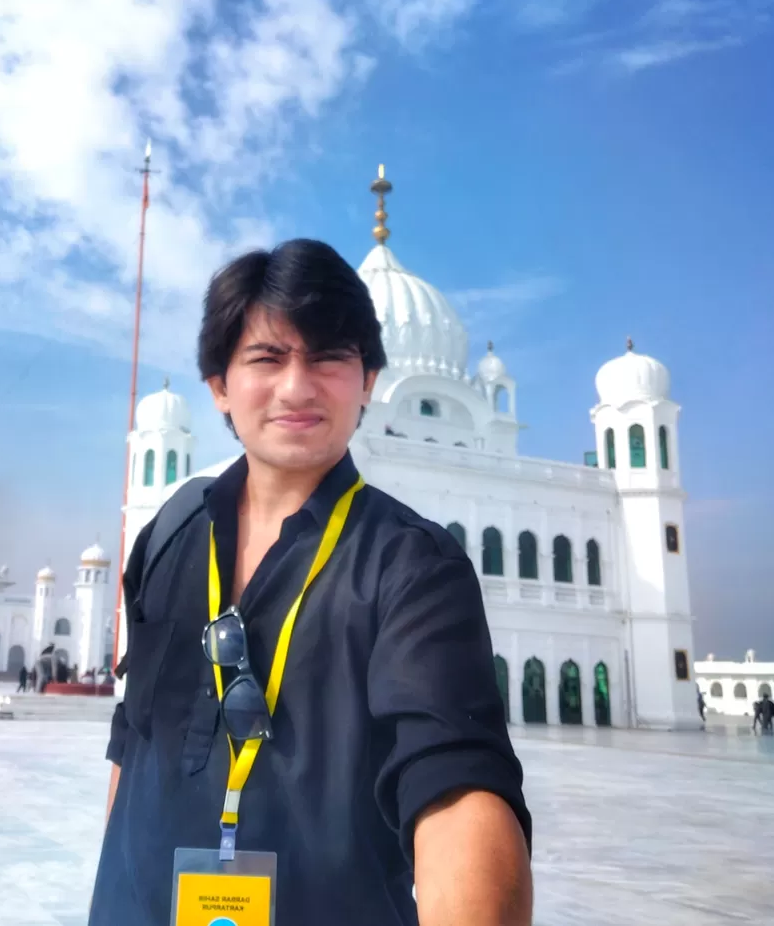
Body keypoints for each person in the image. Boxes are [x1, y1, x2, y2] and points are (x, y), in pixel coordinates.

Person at [89, 239, 532, 925]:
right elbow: (132, 737)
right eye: (267, 357)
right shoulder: (170, 535)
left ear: (369, 380)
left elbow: (455, 783)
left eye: (328, 356)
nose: (297, 386)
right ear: (219, 387)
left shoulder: (410, 566)